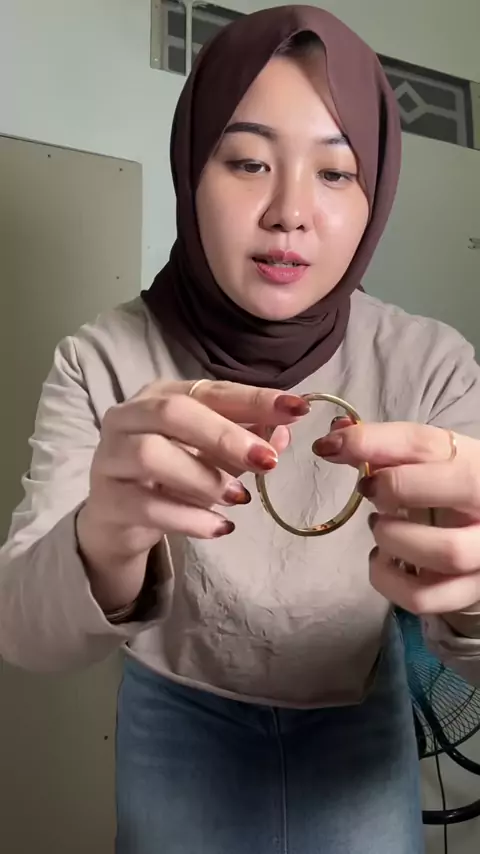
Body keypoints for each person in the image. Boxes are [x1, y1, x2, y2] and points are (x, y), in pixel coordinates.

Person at [1, 5, 480, 853]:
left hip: (360, 720)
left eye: (336, 172)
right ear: (192, 167)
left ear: (376, 192)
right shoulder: (103, 359)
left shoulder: (431, 365)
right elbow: (22, 635)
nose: (290, 212)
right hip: (173, 721)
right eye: (249, 161)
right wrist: (100, 538)